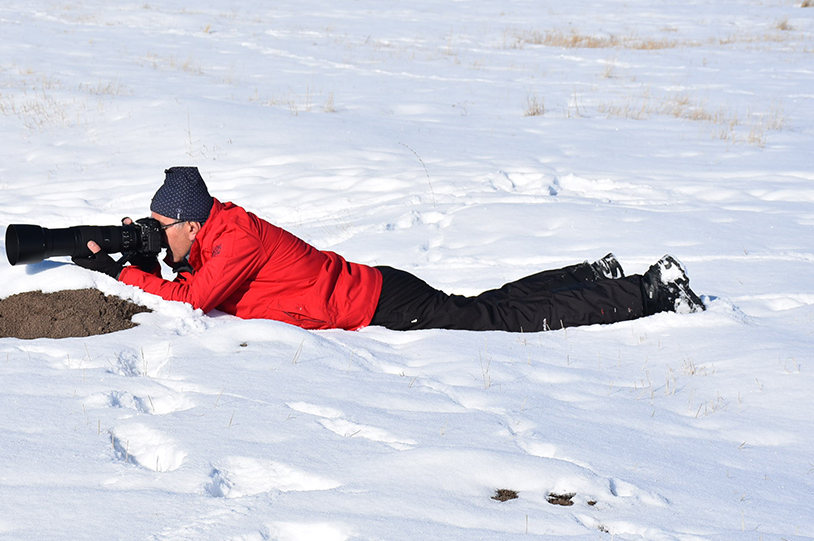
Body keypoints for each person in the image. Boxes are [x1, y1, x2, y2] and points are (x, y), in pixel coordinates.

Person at [73, 167, 705, 332]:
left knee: (499, 319)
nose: (160, 230)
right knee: (484, 305)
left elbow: (197, 298)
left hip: (379, 303)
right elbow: (201, 275)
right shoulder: (220, 230)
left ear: (187, 219)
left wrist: (127, 270)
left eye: (162, 222)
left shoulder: (233, 238)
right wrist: (156, 255)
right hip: (377, 288)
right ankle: (589, 274)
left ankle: (647, 292)